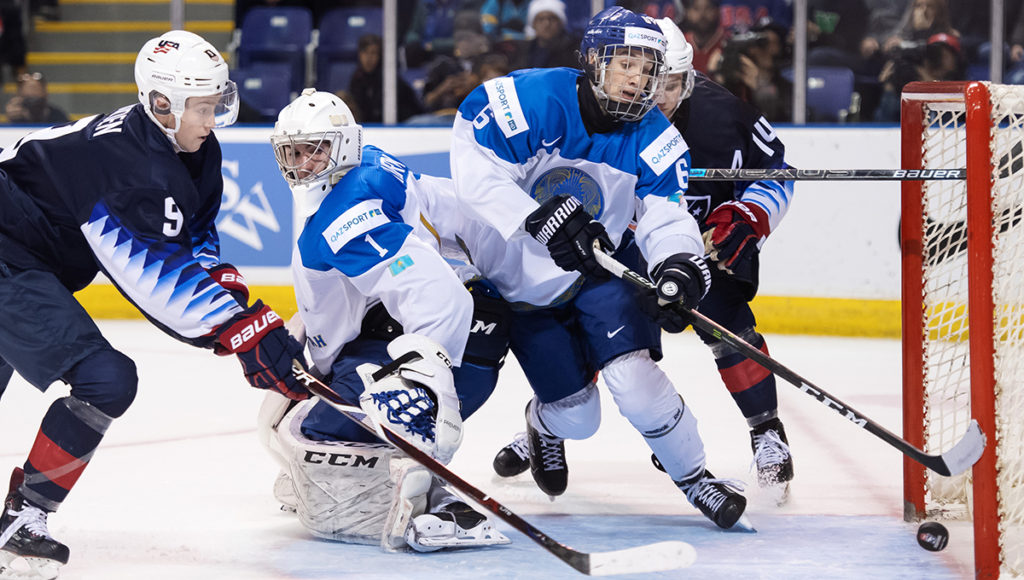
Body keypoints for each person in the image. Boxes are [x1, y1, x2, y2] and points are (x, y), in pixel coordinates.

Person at [0, 31, 308, 578]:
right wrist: (244, 330)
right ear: (160, 104)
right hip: (9, 254)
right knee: (106, 378)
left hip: (27, 259)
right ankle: (24, 519)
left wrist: (240, 306)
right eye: (202, 108)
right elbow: (155, 281)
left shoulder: (194, 150)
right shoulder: (126, 164)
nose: (211, 121)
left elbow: (194, 245)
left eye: (218, 105)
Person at [452, 6, 749, 530]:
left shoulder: (656, 136)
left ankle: (696, 477)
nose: (637, 78)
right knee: (580, 418)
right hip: (517, 285)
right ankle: (543, 427)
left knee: (635, 381)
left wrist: (679, 264)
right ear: (593, 59)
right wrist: (536, 218)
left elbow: (664, 214)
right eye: (625, 63)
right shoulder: (532, 99)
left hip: (595, 271)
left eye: (648, 68)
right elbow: (474, 170)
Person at [262, 88, 512, 551]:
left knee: (302, 429)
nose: (302, 164)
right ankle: (414, 473)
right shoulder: (374, 164)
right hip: (475, 326)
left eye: (315, 150)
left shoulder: (344, 216)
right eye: (293, 152)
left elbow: (441, 302)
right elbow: (453, 209)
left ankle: (424, 498)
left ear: (342, 145)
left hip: (444, 339)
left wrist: (422, 388)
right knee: (287, 413)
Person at [649, 18, 795, 498]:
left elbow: (777, 173)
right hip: (630, 249)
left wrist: (746, 214)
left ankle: (766, 430)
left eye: (673, 84)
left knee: (729, 324)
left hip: (703, 246)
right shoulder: (599, 117)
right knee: (603, 334)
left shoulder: (724, 114)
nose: (662, 97)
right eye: (652, 84)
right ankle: (548, 423)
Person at [347, 34, 425, 123]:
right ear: (359, 54)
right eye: (365, 52)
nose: (368, 58)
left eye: (373, 53)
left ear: (380, 56)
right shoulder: (357, 79)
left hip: (405, 125)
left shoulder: (389, 79)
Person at [4, 72, 70, 125]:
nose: (32, 93)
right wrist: (10, 121)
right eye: (28, 88)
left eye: (35, 88)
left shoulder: (57, 115)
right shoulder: (16, 114)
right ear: (18, 94)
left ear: (45, 93)